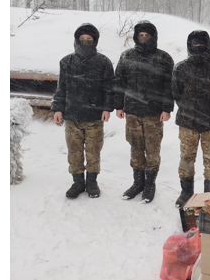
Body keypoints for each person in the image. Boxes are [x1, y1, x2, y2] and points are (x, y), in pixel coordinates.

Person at [51, 23, 115, 199]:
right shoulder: (66, 62)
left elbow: (109, 88)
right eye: (82, 39)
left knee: (94, 151)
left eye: (89, 39)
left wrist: (107, 108)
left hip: (95, 116)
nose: (85, 42)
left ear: (95, 41)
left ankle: (92, 182)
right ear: (76, 40)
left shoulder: (103, 62)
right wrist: (58, 108)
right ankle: (77, 182)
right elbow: (61, 87)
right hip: (72, 116)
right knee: (74, 151)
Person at [113, 21, 174, 203]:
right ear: (136, 36)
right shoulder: (127, 56)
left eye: (147, 35)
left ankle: (150, 184)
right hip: (132, 111)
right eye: (141, 35)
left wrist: (167, 108)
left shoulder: (163, 58)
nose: (144, 37)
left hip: (154, 113)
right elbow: (119, 82)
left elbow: (169, 85)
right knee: (135, 148)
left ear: (153, 36)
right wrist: (119, 106)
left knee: (152, 149)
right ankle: (137, 183)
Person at [171, 30, 210, 208]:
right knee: (186, 158)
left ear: (208, 44)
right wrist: (189, 109)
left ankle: (209, 195)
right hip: (188, 123)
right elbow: (176, 93)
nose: (198, 46)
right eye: (194, 43)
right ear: (189, 45)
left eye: (201, 43)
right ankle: (186, 192)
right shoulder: (181, 67)